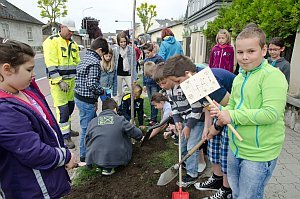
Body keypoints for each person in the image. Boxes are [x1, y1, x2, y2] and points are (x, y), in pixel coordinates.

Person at [208, 26, 288, 198]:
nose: (244, 57)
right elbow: (234, 106)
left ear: (264, 50)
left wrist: (232, 115)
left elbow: (270, 114)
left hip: (259, 154)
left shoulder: (273, 76)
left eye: (251, 51)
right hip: (236, 147)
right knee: (236, 194)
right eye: (240, 52)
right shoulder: (239, 78)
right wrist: (222, 111)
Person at [0, 38, 77, 198]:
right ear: (7, 69)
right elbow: (32, 152)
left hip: (48, 181)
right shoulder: (4, 110)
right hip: (34, 189)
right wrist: (65, 156)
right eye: (29, 70)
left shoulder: (25, 89)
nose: (34, 75)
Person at [165, 55, 236, 199]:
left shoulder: (206, 79)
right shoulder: (193, 80)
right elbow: (208, 104)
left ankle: (227, 190)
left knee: (225, 155)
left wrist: (215, 127)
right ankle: (217, 179)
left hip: (232, 118)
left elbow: (229, 107)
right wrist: (206, 127)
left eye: (178, 81)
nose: (178, 85)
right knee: (213, 149)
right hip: (217, 115)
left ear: (187, 74)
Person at [158, 60, 204, 187]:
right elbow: (174, 107)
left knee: (191, 147)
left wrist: (188, 126)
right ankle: (186, 164)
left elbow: (197, 108)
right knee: (182, 144)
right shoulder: (168, 90)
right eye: (160, 84)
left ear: (171, 78)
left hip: (197, 120)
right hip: (184, 119)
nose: (162, 86)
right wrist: (178, 121)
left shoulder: (185, 86)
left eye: (164, 82)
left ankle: (192, 174)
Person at [43, 18, 80, 149]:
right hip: (59, 83)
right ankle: (65, 137)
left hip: (71, 82)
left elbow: (77, 63)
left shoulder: (73, 44)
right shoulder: (51, 42)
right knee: (63, 110)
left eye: (72, 31)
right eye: (69, 31)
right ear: (62, 27)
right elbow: (50, 63)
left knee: (70, 106)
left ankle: (67, 129)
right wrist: (59, 81)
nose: (71, 33)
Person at [85, 98, 143, 175]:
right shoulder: (120, 120)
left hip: (94, 158)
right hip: (116, 159)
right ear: (115, 109)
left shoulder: (92, 122)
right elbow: (137, 134)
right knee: (124, 136)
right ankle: (109, 168)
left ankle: (99, 163)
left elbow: (86, 140)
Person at [74, 37, 109, 162]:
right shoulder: (94, 62)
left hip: (79, 96)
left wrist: (94, 100)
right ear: (99, 50)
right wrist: (102, 91)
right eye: (103, 54)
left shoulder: (85, 58)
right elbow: (92, 84)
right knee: (86, 128)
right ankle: (84, 156)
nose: (102, 57)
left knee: (91, 124)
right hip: (85, 99)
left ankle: (93, 148)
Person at [142, 45, 164, 125]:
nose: (147, 55)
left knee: (155, 100)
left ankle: (154, 119)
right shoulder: (145, 60)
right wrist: (144, 84)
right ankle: (152, 117)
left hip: (155, 84)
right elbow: (144, 73)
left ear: (153, 51)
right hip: (148, 84)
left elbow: (160, 71)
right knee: (151, 100)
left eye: (148, 53)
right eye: (145, 53)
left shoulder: (158, 59)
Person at [115, 31, 137, 104]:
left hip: (128, 73)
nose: (123, 43)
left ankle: (134, 105)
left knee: (134, 90)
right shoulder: (115, 50)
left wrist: (134, 77)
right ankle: (120, 107)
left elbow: (134, 64)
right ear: (118, 42)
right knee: (119, 93)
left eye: (124, 41)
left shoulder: (131, 49)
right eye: (121, 42)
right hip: (118, 74)